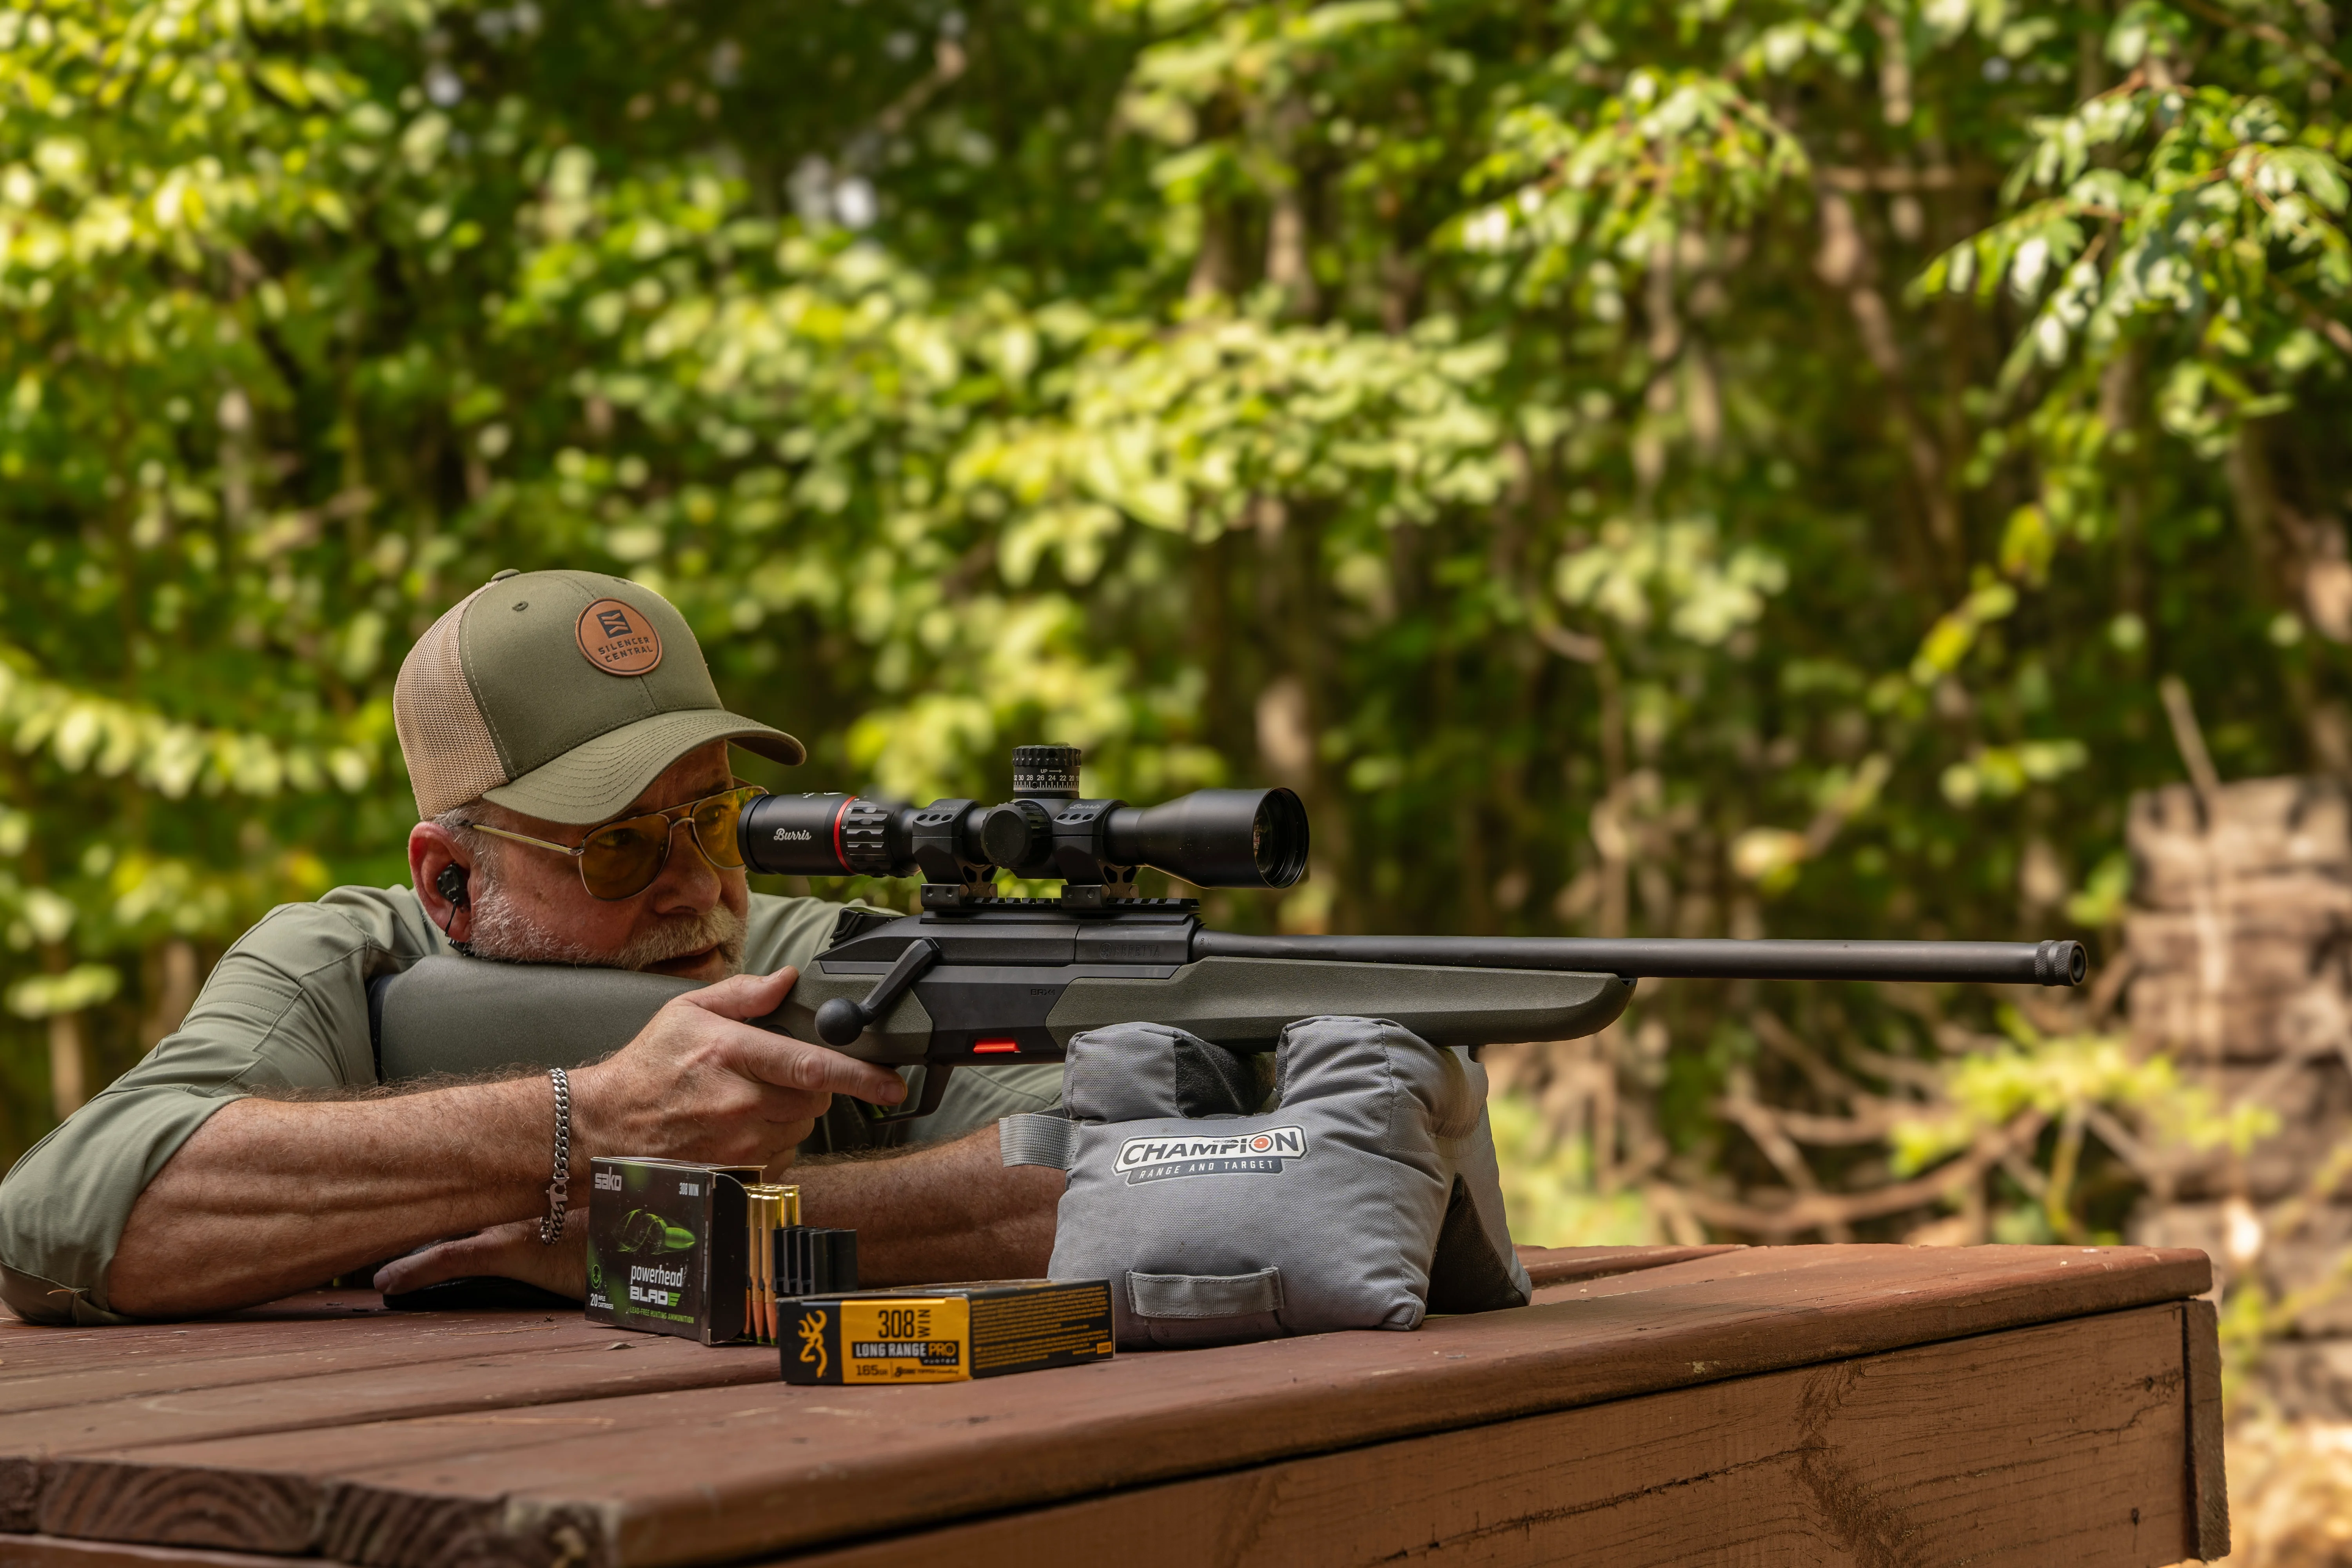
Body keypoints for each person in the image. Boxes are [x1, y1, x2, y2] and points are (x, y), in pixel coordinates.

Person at [0, 570, 1065, 1325]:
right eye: (618, 850)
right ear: (449, 884)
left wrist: (645, 1237)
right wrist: (588, 1122)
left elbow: (1092, 1184)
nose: (695, 887)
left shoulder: (844, 960)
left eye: (714, 821)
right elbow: (60, 1219)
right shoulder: (349, 960)